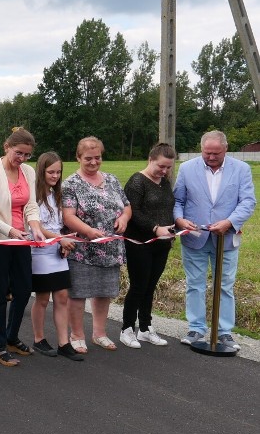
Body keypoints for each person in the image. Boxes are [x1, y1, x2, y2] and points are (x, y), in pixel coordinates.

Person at [174, 130, 256, 350]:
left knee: (225, 286)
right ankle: (196, 328)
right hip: (194, 238)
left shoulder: (241, 170)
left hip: (226, 239)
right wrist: (179, 220)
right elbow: (178, 200)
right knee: (195, 284)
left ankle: (224, 331)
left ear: (226, 149)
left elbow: (248, 202)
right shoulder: (186, 168)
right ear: (201, 149)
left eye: (216, 153)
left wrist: (229, 222)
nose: (211, 157)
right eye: (207, 153)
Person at [0, 127, 45, 367]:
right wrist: (10, 230)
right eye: (19, 153)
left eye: (27, 155)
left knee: (24, 289)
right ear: (7, 147)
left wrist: (35, 225)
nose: (23, 159)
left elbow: (31, 205)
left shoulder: (28, 172)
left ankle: (11, 337)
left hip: (22, 239)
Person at [61, 137, 131, 353]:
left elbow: (127, 206)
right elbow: (68, 216)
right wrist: (88, 231)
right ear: (78, 158)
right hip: (83, 249)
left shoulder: (111, 180)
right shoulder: (70, 184)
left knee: (103, 293)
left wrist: (124, 219)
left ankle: (99, 333)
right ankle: (77, 334)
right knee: (79, 293)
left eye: (97, 158)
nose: (93, 162)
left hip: (110, 249)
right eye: (88, 158)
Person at [120, 143, 178, 349]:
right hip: (139, 243)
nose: (164, 171)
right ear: (150, 160)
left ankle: (145, 328)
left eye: (168, 167)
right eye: (161, 166)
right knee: (138, 286)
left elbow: (168, 207)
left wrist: (175, 227)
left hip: (162, 244)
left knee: (150, 286)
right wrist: (155, 228)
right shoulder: (137, 182)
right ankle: (127, 329)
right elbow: (133, 212)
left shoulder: (165, 183)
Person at [30, 152, 82, 361]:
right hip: (39, 250)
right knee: (42, 298)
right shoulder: (33, 195)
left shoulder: (57, 194)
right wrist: (59, 239)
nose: (55, 176)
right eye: (51, 171)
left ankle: (63, 343)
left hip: (56, 249)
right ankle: (39, 338)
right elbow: (38, 227)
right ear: (41, 171)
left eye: (58, 172)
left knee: (61, 297)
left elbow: (59, 225)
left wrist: (65, 241)